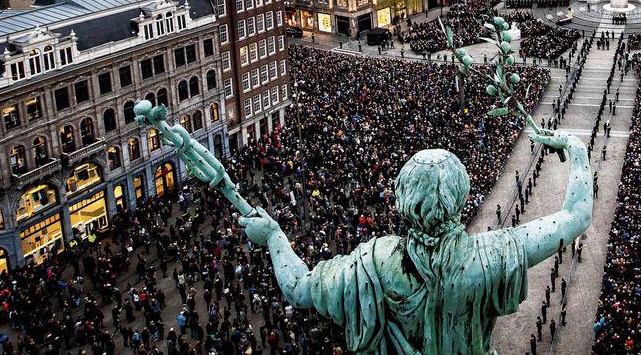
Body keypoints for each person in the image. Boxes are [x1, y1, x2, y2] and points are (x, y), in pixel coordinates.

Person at [236, 134, 593, 353]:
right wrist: (575, 149)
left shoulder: (373, 262)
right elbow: (576, 215)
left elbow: (299, 290)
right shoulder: (494, 255)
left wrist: (273, 237)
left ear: (402, 198)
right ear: (463, 196)